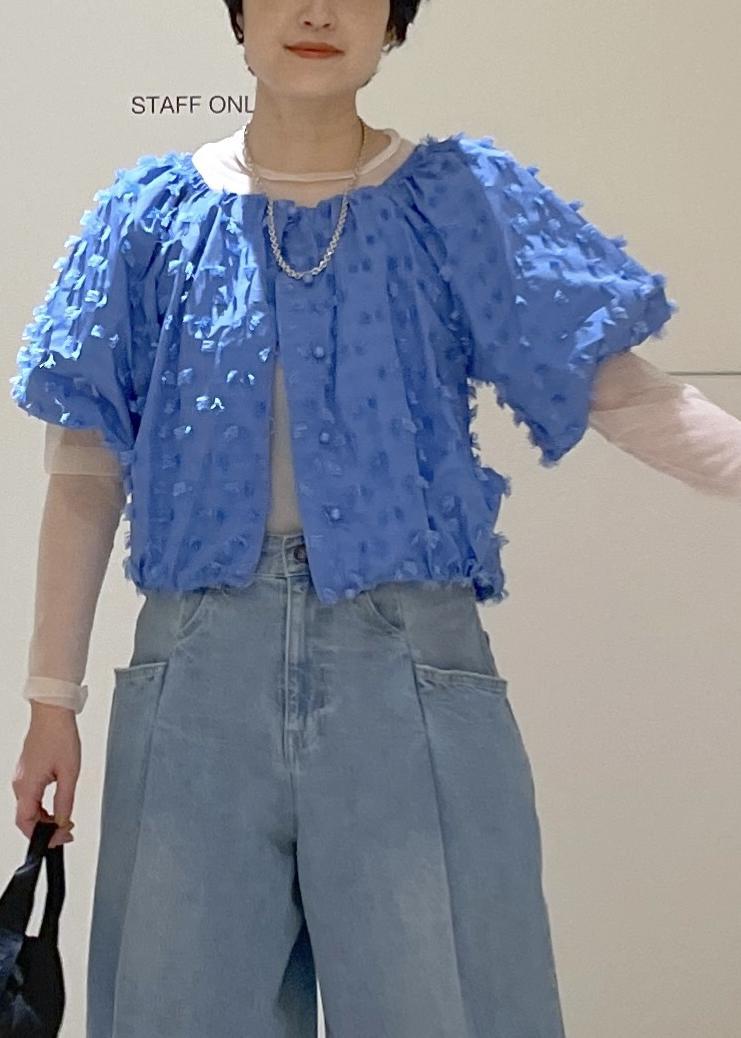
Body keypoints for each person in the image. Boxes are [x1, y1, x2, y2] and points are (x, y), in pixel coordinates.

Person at [9, 1, 741, 1035]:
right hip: (195, 680)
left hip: (409, 674)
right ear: (238, 15)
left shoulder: (457, 203)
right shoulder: (149, 217)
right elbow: (86, 465)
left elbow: (622, 391)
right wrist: (52, 700)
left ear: (393, 23)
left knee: (443, 1009)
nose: (316, 10)